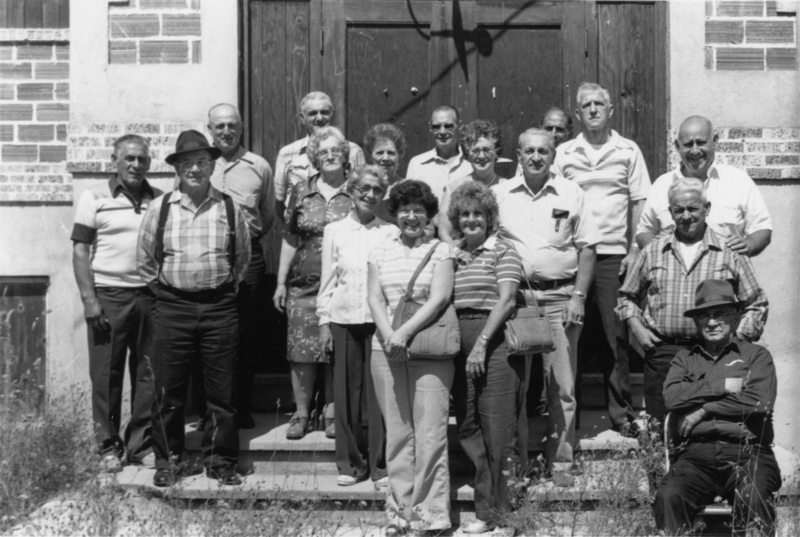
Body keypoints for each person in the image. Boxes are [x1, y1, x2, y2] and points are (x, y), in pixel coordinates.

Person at [138, 130, 251, 487]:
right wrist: (170, 293)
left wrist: (219, 292)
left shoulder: (229, 207)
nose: (196, 169)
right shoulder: (161, 208)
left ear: (212, 165)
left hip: (219, 307)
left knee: (222, 391)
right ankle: (168, 462)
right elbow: (145, 260)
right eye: (187, 163)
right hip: (172, 307)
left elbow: (242, 259)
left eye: (202, 162)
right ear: (177, 168)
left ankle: (220, 463)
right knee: (167, 391)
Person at [492, 128, 601, 485]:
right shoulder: (499, 195)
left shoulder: (572, 193)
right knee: (517, 387)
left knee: (562, 386)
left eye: (543, 151)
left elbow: (587, 247)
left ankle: (562, 463)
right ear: (518, 155)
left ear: (553, 156)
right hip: (517, 302)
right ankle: (519, 464)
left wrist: (578, 297)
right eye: (529, 151)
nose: (536, 157)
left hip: (560, 300)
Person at [617, 176, 768, 430]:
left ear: (706, 209)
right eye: (679, 210)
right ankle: (661, 471)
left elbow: (757, 302)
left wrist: (736, 338)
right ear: (671, 212)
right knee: (661, 428)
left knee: (711, 427)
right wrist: (639, 330)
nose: (686, 215)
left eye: (693, 208)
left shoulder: (729, 250)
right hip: (663, 353)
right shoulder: (653, 251)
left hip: (716, 355)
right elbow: (626, 296)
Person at [553, 82, 651, 436]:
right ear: (577, 113)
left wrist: (636, 249)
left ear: (611, 110)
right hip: (574, 256)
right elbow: (554, 201)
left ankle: (622, 416)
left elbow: (641, 202)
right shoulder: (564, 153)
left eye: (599, 104)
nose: (593, 109)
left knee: (616, 338)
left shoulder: (628, 150)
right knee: (569, 338)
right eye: (585, 105)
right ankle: (566, 419)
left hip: (613, 256)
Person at [654, 279, 781, 536]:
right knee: (668, 495)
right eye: (704, 316)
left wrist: (705, 409)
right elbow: (671, 398)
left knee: (754, 496)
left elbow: (758, 403)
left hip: (748, 454)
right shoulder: (684, 358)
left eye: (720, 314)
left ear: (736, 318)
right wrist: (724, 384)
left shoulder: (756, 356)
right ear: (697, 322)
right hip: (696, 458)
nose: (711, 322)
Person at [367, 180, 456, 535]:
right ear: (395, 214)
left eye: (419, 210)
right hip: (384, 350)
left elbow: (439, 299)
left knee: (430, 433)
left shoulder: (441, 252)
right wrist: (389, 335)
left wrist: (403, 333)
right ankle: (400, 514)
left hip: (429, 351)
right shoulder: (380, 251)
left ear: (429, 215)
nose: (411, 216)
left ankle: (430, 516)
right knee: (399, 434)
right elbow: (375, 299)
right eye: (405, 209)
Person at [72, 134, 160, 471]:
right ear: (115, 161)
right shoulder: (94, 196)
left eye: (142, 159)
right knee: (106, 374)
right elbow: (80, 249)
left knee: (147, 373)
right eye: (129, 159)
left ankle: (140, 444)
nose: (136, 165)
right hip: (108, 296)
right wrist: (89, 299)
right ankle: (107, 447)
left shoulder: (160, 199)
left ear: (149, 163)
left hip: (149, 296)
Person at [189, 103, 274, 431]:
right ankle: (207, 410)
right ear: (210, 129)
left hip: (248, 257)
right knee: (205, 333)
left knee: (245, 333)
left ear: (241, 128)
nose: (226, 131)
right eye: (219, 126)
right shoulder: (199, 166)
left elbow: (266, 216)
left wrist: (243, 241)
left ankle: (240, 406)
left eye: (232, 125)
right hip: (206, 255)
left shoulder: (258, 166)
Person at [448, 181, 526, 534]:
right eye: (465, 213)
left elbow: (506, 300)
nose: (471, 219)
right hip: (458, 341)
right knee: (468, 426)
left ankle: (506, 515)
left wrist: (480, 343)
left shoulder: (503, 250)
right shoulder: (452, 254)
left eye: (478, 213)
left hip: (493, 343)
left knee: (498, 429)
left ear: (489, 217)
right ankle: (485, 512)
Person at [317, 165, 396, 488]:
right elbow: (328, 281)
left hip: (378, 324)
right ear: (351, 190)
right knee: (347, 395)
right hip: (343, 321)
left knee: (380, 396)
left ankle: (380, 466)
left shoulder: (389, 231)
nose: (370, 195)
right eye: (364, 188)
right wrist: (324, 323)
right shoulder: (334, 230)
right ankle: (350, 464)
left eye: (377, 190)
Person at [273, 126, 353, 440]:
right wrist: (281, 282)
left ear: (345, 155)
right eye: (323, 152)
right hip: (304, 284)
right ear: (314, 159)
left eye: (336, 151)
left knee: (336, 348)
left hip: (344, 284)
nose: (330, 156)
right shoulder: (300, 190)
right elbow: (290, 237)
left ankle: (333, 414)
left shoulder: (357, 188)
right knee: (301, 351)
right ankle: (302, 414)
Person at [636, 115, 772, 257]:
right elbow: (644, 231)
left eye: (701, 143)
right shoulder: (661, 185)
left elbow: (762, 228)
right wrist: (655, 245)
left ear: (714, 141)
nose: (695, 151)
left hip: (723, 274)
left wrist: (748, 245)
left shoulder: (738, 181)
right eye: (688, 144)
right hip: (673, 275)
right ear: (677, 146)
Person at [274, 91, 365, 216]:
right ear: (302, 118)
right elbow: (279, 201)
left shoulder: (354, 151)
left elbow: (363, 192)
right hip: (304, 228)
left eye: (324, 112)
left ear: (332, 113)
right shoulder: (287, 154)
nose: (320, 118)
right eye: (312, 113)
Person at [439, 119, 506, 245]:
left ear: (496, 152)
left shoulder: (508, 187)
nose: (481, 156)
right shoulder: (454, 188)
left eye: (486, 149)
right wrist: (458, 255)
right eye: (475, 151)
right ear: (467, 155)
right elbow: (444, 233)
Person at [406, 104, 472, 203]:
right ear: (430, 128)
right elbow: (410, 204)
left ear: (459, 126)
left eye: (448, 126)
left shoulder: (472, 162)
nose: (442, 131)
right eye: (436, 126)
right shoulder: (417, 164)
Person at [362, 122, 407, 224]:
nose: (385, 158)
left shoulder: (407, 188)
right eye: (380, 153)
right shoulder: (362, 188)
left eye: (391, 153)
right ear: (370, 156)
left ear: (399, 155)